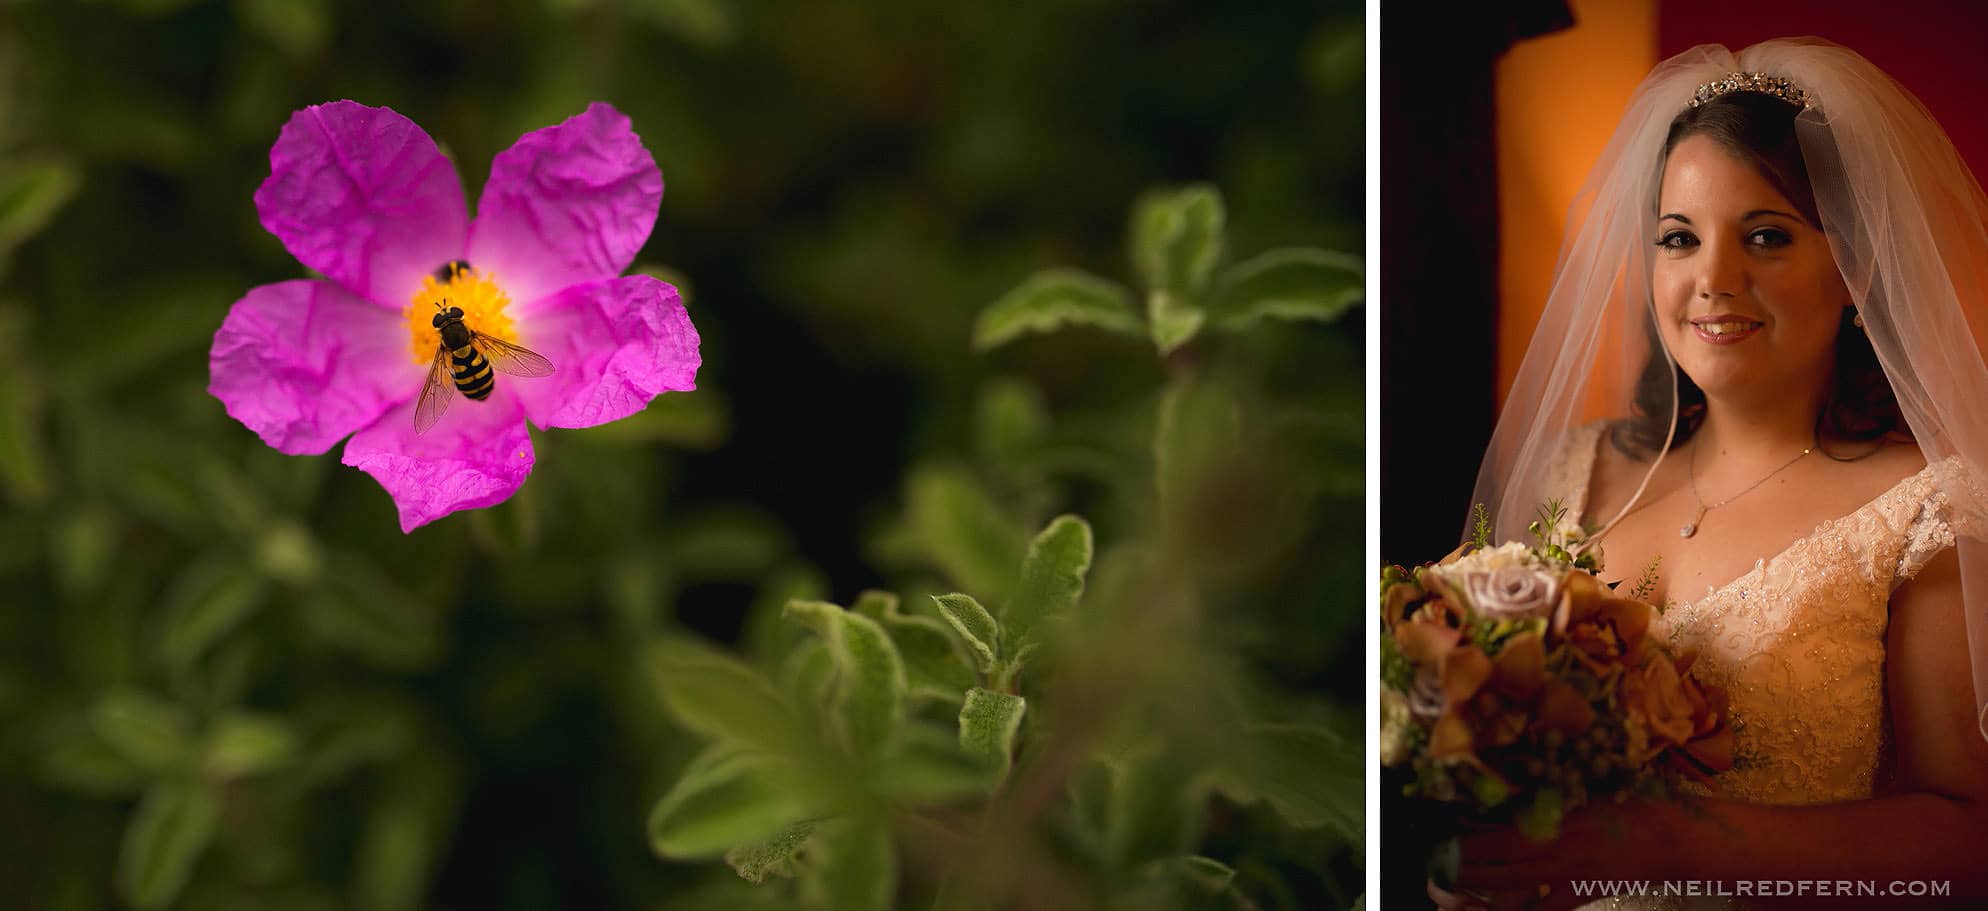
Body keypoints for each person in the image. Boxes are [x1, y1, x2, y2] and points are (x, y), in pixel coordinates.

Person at [1428, 39, 1988, 910]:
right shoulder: (1570, 473)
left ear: (1856, 269)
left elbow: (1966, 842)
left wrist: (1679, 848)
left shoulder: (1924, 510)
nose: (1713, 280)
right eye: (1679, 239)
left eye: (1766, 236)